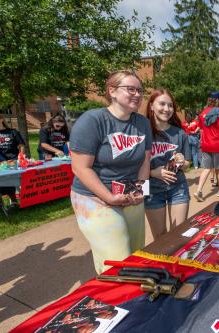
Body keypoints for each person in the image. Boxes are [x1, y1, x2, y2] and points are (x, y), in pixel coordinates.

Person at [70, 70, 152, 274]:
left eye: (140, 91)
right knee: (117, 261)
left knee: (136, 254)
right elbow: (80, 167)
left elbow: (145, 160)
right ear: (112, 91)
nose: (137, 94)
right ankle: (110, 302)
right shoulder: (93, 120)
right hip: (95, 198)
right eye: (130, 89)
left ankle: (134, 301)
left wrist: (141, 190)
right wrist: (108, 197)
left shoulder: (142, 123)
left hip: (129, 193)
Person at [145, 88, 191, 242]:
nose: (166, 109)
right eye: (162, 104)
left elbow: (188, 163)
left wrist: (181, 162)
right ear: (151, 106)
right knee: (160, 238)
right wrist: (153, 173)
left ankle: (177, 266)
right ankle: (163, 266)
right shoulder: (142, 132)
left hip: (178, 188)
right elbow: (135, 165)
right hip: (151, 189)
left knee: (178, 235)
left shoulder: (180, 133)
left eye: (170, 105)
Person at [193, 91, 219, 202]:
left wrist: (203, 142)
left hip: (206, 145)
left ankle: (199, 191)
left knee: (206, 168)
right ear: (218, 100)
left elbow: (201, 130)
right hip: (218, 145)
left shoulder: (203, 113)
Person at [0, 111, 24, 208]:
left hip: (13, 161)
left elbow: (21, 146)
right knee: (0, 182)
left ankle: (14, 200)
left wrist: (21, 157)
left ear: (1, 119)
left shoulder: (13, 132)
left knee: (11, 181)